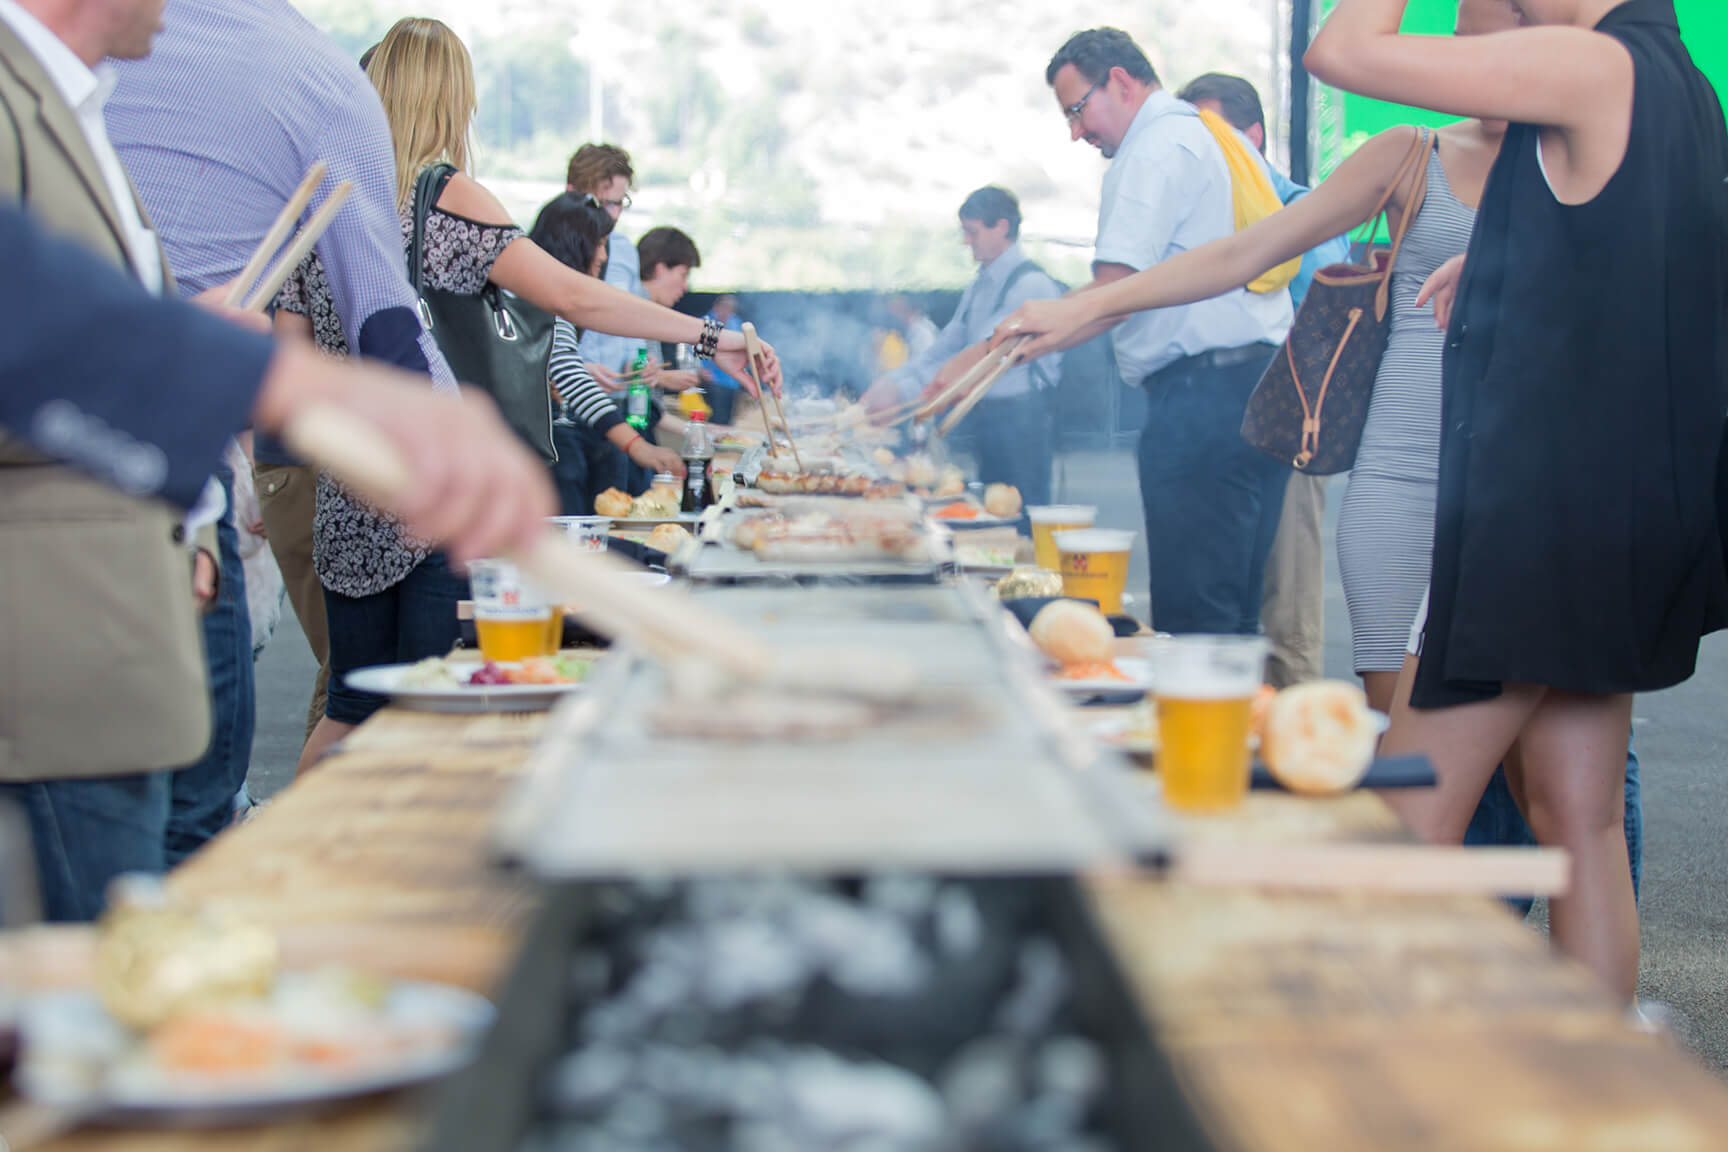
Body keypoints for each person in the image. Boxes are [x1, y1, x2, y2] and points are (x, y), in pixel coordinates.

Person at [994, 0, 1646, 925]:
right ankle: (1460, 983)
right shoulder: (1410, 154)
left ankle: (1570, 1027)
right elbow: (1248, 250)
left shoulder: (1594, 148)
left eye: (1504, 36)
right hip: (1405, 484)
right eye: (1464, 41)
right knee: (1423, 786)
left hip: (1535, 496)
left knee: (1573, 804)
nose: (1481, 57)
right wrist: (1084, 310)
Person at [1304, 0, 1726, 1000]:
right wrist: (1501, 261)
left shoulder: (1595, 65)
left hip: (1530, 527)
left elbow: (1341, 48)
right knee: (1580, 826)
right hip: (1622, 516)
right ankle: (1597, 1100)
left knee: (1410, 825)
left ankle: (1424, 1101)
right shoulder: (1682, 86)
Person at [0, 194, 552, 918]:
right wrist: (252, 374)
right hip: (71, 633)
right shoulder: (413, 223)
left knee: (196, 833)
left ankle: (299, 875)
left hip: (172, 577)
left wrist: (199, 521)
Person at [295, 17, 779, 775]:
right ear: (453, 101)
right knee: (433, 709)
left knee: (347, 712)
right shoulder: (449, 200)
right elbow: (576, 300)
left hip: (349, 490)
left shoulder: (326, 202)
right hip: (435, 493)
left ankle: (292, 871)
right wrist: (713, 337)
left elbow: (291, 359)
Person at [107, 0, 463, 752]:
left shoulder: (65, 67)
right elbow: (386, 326)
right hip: (222, 479)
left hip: (254, 472)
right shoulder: (320, 84)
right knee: (198, 780)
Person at [1041, 28, 1294, 634]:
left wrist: (1017, 339)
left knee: (1195, 616)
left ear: (1122, 83)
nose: (1077, 131)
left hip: (1204, 401)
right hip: (1257, 387)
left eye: (1078, 110)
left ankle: (1202, 726)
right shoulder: (1203, 132)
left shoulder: (1153, 147)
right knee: (1233, 612)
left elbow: (1113, 295)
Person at [1176, 72, 1351, 689]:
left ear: (1253, 136)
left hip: (1285, 432)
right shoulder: (1205, 218)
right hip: (1219, 435)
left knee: (1286, 607)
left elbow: (1325, 330)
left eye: (1216, 137)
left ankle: (1294, 752)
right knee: (1224, 605)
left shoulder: (1308, 213)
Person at [862, 186, 1065, 509]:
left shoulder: (1031, 285)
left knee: (1022, 518)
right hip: (989, 420)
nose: (966, 241)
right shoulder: (980, 286)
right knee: (989, 513)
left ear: (1001, 227)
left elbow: (977, 358)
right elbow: (944, 349)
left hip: (1022, 422)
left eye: (972, 232)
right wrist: (893, 383)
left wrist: (904, 391)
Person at [529, 191, 684, 514]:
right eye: (600, 244)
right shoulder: (541, 298)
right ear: (575, 245)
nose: (604, 255)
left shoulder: (548, 294)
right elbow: (572, 376)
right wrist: (639, 447)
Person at [567, 142, 647, 388]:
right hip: (565, 402)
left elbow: (634, 321)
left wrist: (638, 364)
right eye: (603, 204)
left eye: (619, 204)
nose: (611, 215)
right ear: (571, 192)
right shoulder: (543, 250)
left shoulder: (624, 250)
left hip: (614, 398)